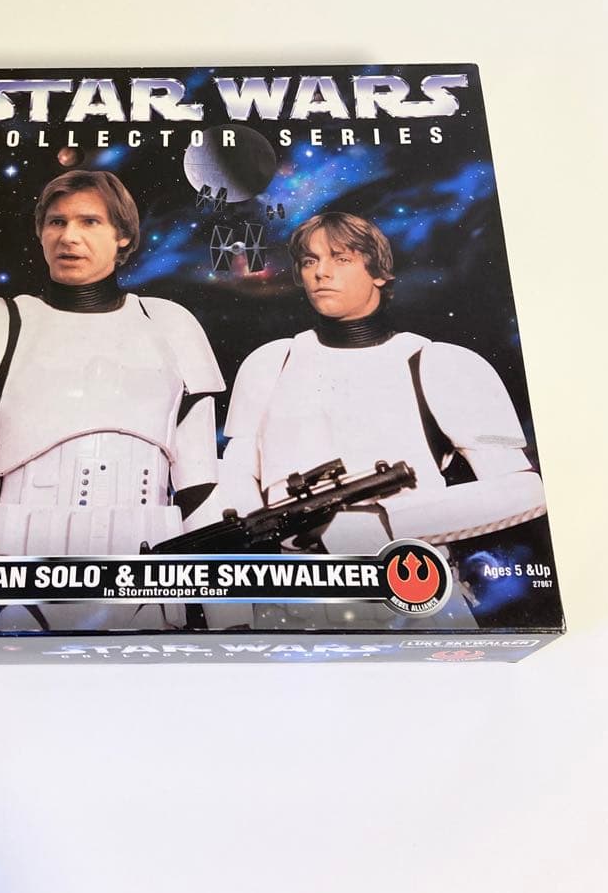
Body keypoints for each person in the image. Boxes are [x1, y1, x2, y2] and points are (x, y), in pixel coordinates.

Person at [0, 170, 224, 631]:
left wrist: (233, 622)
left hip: (147, 593)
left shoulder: (171, 327)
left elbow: (201, 493)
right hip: (12, 592)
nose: (69, 236)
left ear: (123, 236)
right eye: (56, 222)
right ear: (41, 232)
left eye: (89, 221)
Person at [200, 211, 545, 628]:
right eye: (309, 261)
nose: (321, 273)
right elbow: (236, 479)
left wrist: (387, 523)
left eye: (341, 258)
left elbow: (523, 490)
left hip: (410, 591)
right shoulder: (271, 364)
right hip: (292, 600)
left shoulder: (436, 363)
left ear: (379, 272)